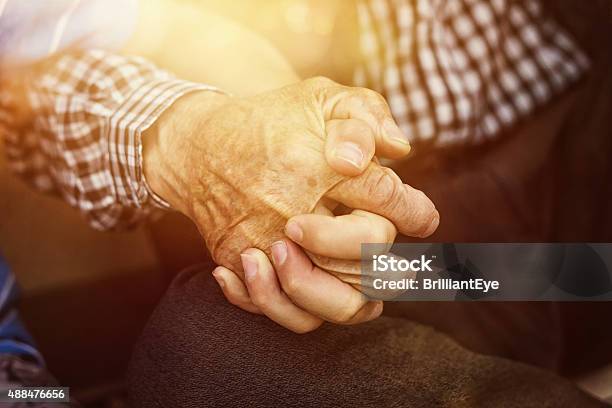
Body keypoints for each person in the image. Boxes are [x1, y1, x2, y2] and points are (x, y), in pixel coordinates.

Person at [0, 0, 436, 397]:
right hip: (376, 211)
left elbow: (164, 29)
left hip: (460, 215)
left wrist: (286, 142)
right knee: (199, 343)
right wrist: (199, 142)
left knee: (486, 278)